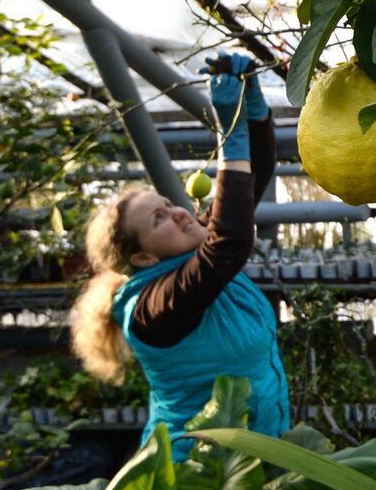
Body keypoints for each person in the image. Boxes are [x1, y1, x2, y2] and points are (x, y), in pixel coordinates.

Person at [70, 53, 289, 461]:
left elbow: (246, 186)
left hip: (249, 465)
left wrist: (253, 112)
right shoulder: (152, 308)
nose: (179, 212)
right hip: (191, 487)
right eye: (159, 219)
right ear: (142, 259)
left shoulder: (193, 254)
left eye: (169, 203)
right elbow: (230, 243)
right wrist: (229, 137)